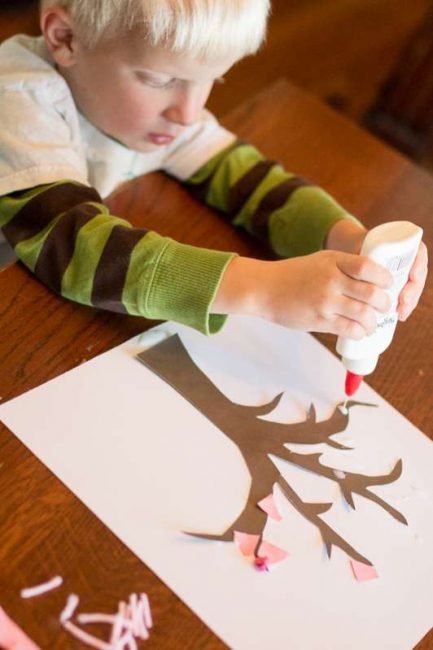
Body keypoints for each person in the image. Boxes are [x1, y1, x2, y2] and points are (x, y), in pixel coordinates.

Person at [0, 0, 427, 337]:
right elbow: (75, 250)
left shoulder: (153, 118)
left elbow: (250, 181)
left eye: (211, 80)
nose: (188, 113)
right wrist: (265, 290)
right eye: (159, 80)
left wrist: (351, 240)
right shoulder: (17, 99)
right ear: (66, 37)